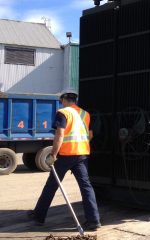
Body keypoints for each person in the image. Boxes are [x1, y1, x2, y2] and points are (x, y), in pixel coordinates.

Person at [28, 89, 101, 230]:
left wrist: (53, 154)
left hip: (66, 155)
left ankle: (39, 216)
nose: (61, 103)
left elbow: (59, 135)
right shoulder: (85, 114)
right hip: (82, 154)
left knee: (51, 185)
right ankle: (94, 220)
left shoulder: (63, 113)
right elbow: (90, 135)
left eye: (61, 100)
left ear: (64, 99)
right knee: (86, 187)